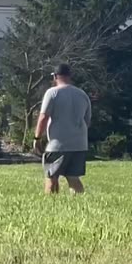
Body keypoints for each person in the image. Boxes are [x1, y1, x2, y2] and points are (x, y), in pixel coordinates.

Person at [35, 63, 91, 195]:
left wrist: (37, 137)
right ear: (70, 76)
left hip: (57, 145)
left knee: (51, 177)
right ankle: (81, 206)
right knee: (73, 178)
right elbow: (87, 120)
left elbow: (43, 117)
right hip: (79, 144)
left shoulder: (52, 93)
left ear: (55, 76)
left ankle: (51, 206)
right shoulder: (82, 94)